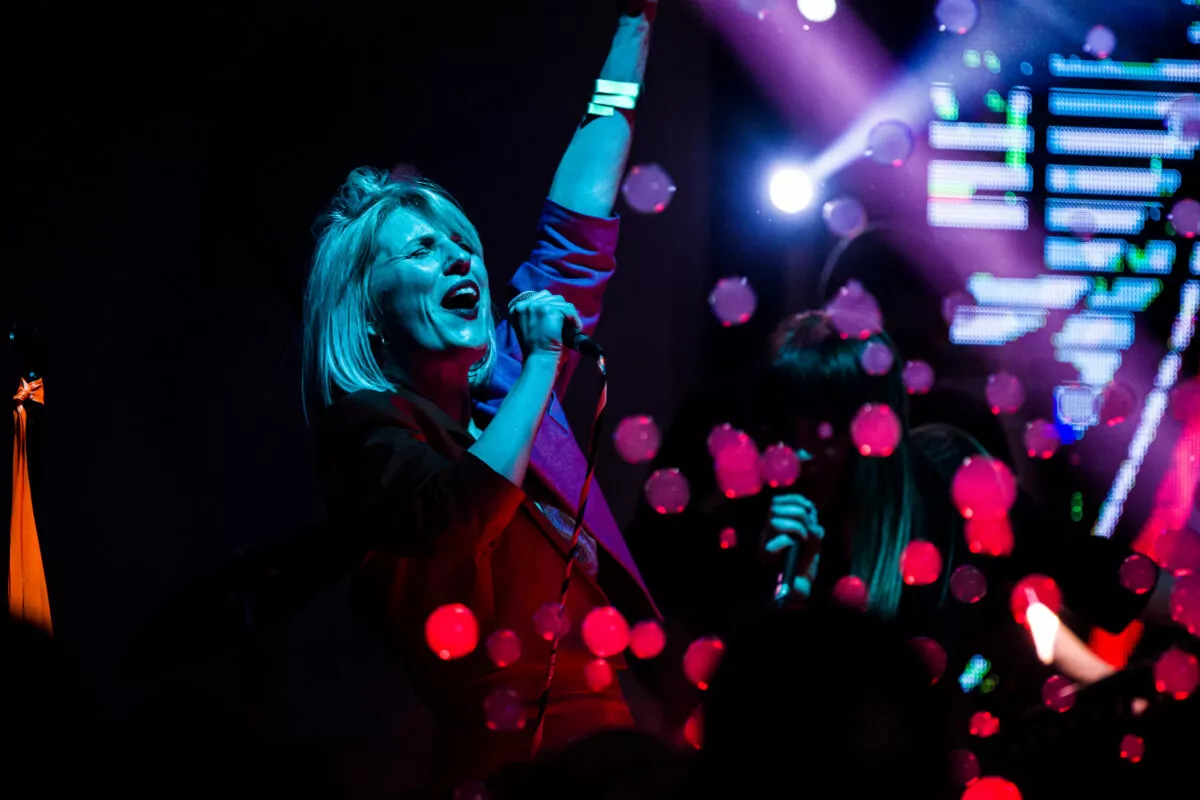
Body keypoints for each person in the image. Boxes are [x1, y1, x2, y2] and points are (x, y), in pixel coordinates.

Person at [301, 2, 660, 793]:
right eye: (423, 251)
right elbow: (462, 514)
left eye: (463, 242)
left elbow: (581, 214)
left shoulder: (504, 387)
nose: (461, 258)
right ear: (365, 308)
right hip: (504, 774)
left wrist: (634, 25)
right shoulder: (365, 433)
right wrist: (541, 367)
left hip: (614, 751)